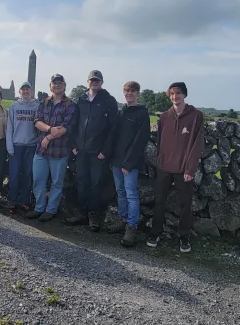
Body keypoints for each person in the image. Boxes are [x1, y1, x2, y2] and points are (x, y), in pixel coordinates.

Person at [146, 82, 204, 253]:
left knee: (185, 204)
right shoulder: (164, 116)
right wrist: (159, 162)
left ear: (185, 95)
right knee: (159, 202)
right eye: (171, 94)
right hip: (164, 166)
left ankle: (184, 236)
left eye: (178, 93)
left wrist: (190, 169)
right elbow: (160, 142)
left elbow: (197, 143)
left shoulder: (195, 116)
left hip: (183, 169)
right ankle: (155, 232)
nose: (174, 97)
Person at [67, 70, 119, 232]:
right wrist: (73, 145)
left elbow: (113, 128)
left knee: (96, 183)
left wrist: (105, 150)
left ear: (102, 83)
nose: (94, 82)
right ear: (87, 81)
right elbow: (74, 124)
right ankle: (82, 212)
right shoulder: (81, 100)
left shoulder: (109, 101)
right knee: (82, 181)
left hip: (98, 152)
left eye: (97, 80)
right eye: (92, 80)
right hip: (81, 150)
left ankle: (93, 216)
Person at [26, 74, 76, 222]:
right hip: (42, 150)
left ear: (65, 86)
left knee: (56, 182)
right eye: (54, 83)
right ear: (50, 86)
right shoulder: (43, 103)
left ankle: (51, 210)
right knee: (38, 180)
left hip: (60, 151)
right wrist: (49, 129)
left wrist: (48, 136)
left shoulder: (71, 105)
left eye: (60, 83)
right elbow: (36, 121)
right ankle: (39, 208)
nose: (57, 85)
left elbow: (66, 127)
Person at [108, 81, 150, 247]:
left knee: (131, 194)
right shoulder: (122, 111)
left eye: (132, 91)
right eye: (126, 91)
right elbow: (116, 137)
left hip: (130, 162)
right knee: (120, 191)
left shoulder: (142, 114)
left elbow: (140, 141)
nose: (129, 94)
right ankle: (123, 220)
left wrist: (129, 162)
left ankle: (132, 227)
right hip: (117, 161)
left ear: (138, 93)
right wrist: (113, 160)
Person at [5, 81, 40, 213]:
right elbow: (10, 126)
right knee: (13, 175)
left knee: (28, 175)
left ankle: (25, 202)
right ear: (19, 92)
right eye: (23, 90)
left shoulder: (37, 106)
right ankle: (12, 202)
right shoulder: (14, 106)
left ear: (31, 92)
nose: (25, 92)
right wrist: (9, 146)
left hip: (31, 146)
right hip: (16, 145)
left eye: (28, 90)